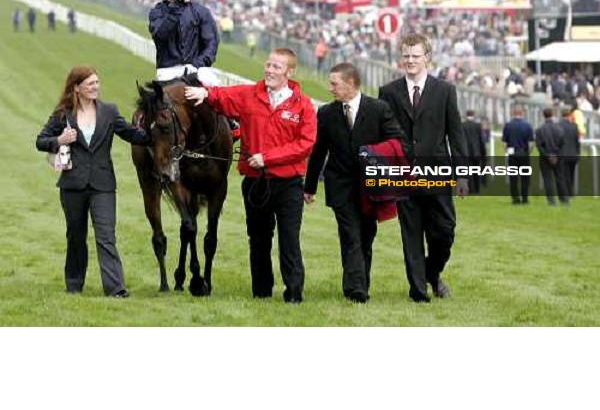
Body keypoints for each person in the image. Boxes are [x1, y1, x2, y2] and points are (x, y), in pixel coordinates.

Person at [184, 48, 316, 303]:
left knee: (289, 240)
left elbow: (305, 144)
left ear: (289, 72)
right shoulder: (249, 95)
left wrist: (268, 158)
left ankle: (294, 293)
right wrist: (205, 92)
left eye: (276, 67)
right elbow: (222, 97)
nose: (269, 70)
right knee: (258, 239)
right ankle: (261, 292)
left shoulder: (304, 105)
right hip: (256, 184)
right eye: (268, 65)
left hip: (289, 184)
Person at [35, 66, 148, 297]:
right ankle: (74, 285)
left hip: (103, 184)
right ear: (77, 88)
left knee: (106, 236)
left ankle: (116, 288)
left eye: (97, 82)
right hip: (72, 185)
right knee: (76, 235)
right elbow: (40, 141)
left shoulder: (109, 111)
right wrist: (60, 139)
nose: (96, 87)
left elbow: (131, 133)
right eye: (90, 84)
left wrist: (157, 131)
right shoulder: (62, 113)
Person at [303, 63, 405, 303]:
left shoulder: (379, 109)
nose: (330, 88)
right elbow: (319, 151)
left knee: (366, 234)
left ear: (351, 84)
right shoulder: (326, 113)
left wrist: (372, 153)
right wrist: (309, 186)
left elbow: (398, 141)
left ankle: (357, 283)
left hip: (371, 187)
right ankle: (357, 289)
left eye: (334, 84)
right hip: (339, 185)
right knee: (350, 234)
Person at [379, 33, 468, 303]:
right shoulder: (388, 92)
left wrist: (461, 174)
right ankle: (418, 293)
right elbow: (383, 136)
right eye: (406, 56)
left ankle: (432, 272)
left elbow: (456, 134)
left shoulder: (445, 90)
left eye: (415, 56)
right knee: (411, 236)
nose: (410, 61)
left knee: (444, 231)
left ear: (427, 57)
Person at [149, 0, 220, 86]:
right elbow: (160, 35)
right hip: (166, 73)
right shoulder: (157, 12)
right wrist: (176, 7)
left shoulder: (201, 12)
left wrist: (197, 64)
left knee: (219, 93)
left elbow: (211, 44)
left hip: (197, 70)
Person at [535, 107, 568, 206]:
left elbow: (539, 145)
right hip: (558, 156)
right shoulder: (559, 128)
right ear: (552, 115)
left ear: (543, 115)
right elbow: (562, 144)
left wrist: (548, 155)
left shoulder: (539, 129)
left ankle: (551, 200)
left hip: (545, 157)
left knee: (547, 179)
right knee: (560, 178)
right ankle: (564, 199)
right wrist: (556, 155)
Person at [502, 105, 534, 205]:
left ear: (513, 113)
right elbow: (531, 143)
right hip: (523, 152)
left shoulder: (508, 125)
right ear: (522, 113)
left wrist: (507, 151)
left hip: (512, 153)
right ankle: (524, 198)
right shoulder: (527, 125)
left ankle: (515, 198)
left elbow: (504, 142)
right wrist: (528, 152)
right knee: (525, 177)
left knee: (513, 177)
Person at [462, 109, 486, 194]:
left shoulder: (462, 126)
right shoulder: (478, 126)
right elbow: (481, 140)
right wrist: (483, 153)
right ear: (473, 115)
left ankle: (470, 189)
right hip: (476, 152)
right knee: (476, 171)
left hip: (466, 152)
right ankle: (476, 189)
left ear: (466, 115)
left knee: (468, 171)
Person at [559, 106, 581, 199]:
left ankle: (566, 193)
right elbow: (577, 142)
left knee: (564, 174)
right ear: (569, 114)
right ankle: (570, 192)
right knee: (571, 174)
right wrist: (578, 153)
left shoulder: (558, 125)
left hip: (563, 154)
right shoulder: (574, 126)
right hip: (573, 154)